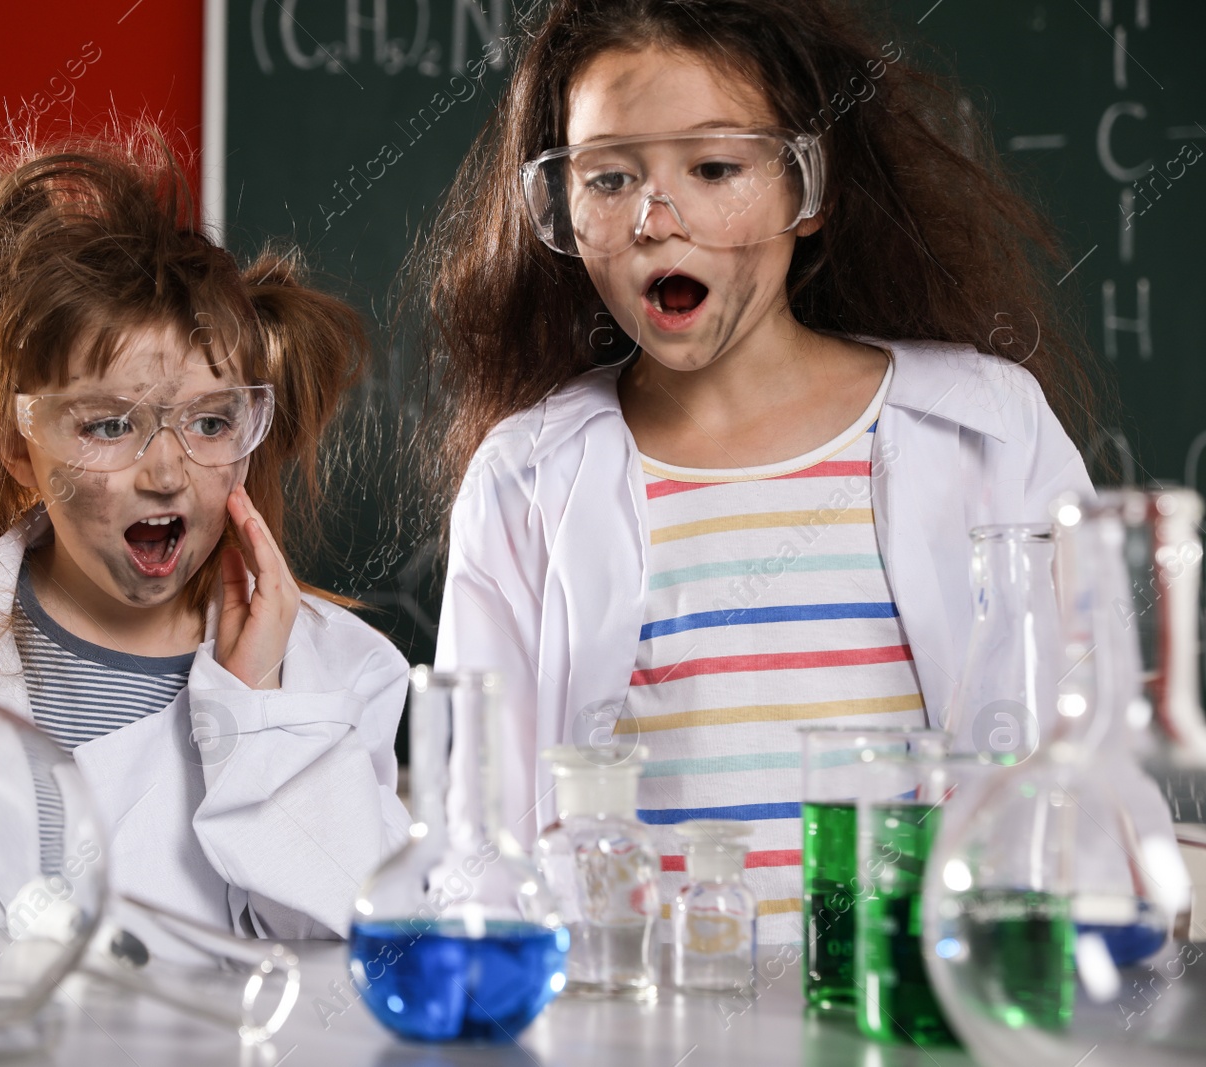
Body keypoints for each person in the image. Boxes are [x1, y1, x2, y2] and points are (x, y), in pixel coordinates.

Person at [421, 0, 1106, 943]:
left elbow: (1082, 761)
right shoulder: (523, 480)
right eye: (609, 178)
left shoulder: (987, 429)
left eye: (714, 168)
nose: (658, 222)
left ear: (808, 188)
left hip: (905, 1019)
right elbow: (480, 837)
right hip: (641, 1028)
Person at [0, 129, 410, 939]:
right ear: (20, 447)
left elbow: (371, 940)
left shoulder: (336, 672)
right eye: (110, 424)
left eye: (212, 421)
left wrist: (258, 715)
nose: (166, 471)